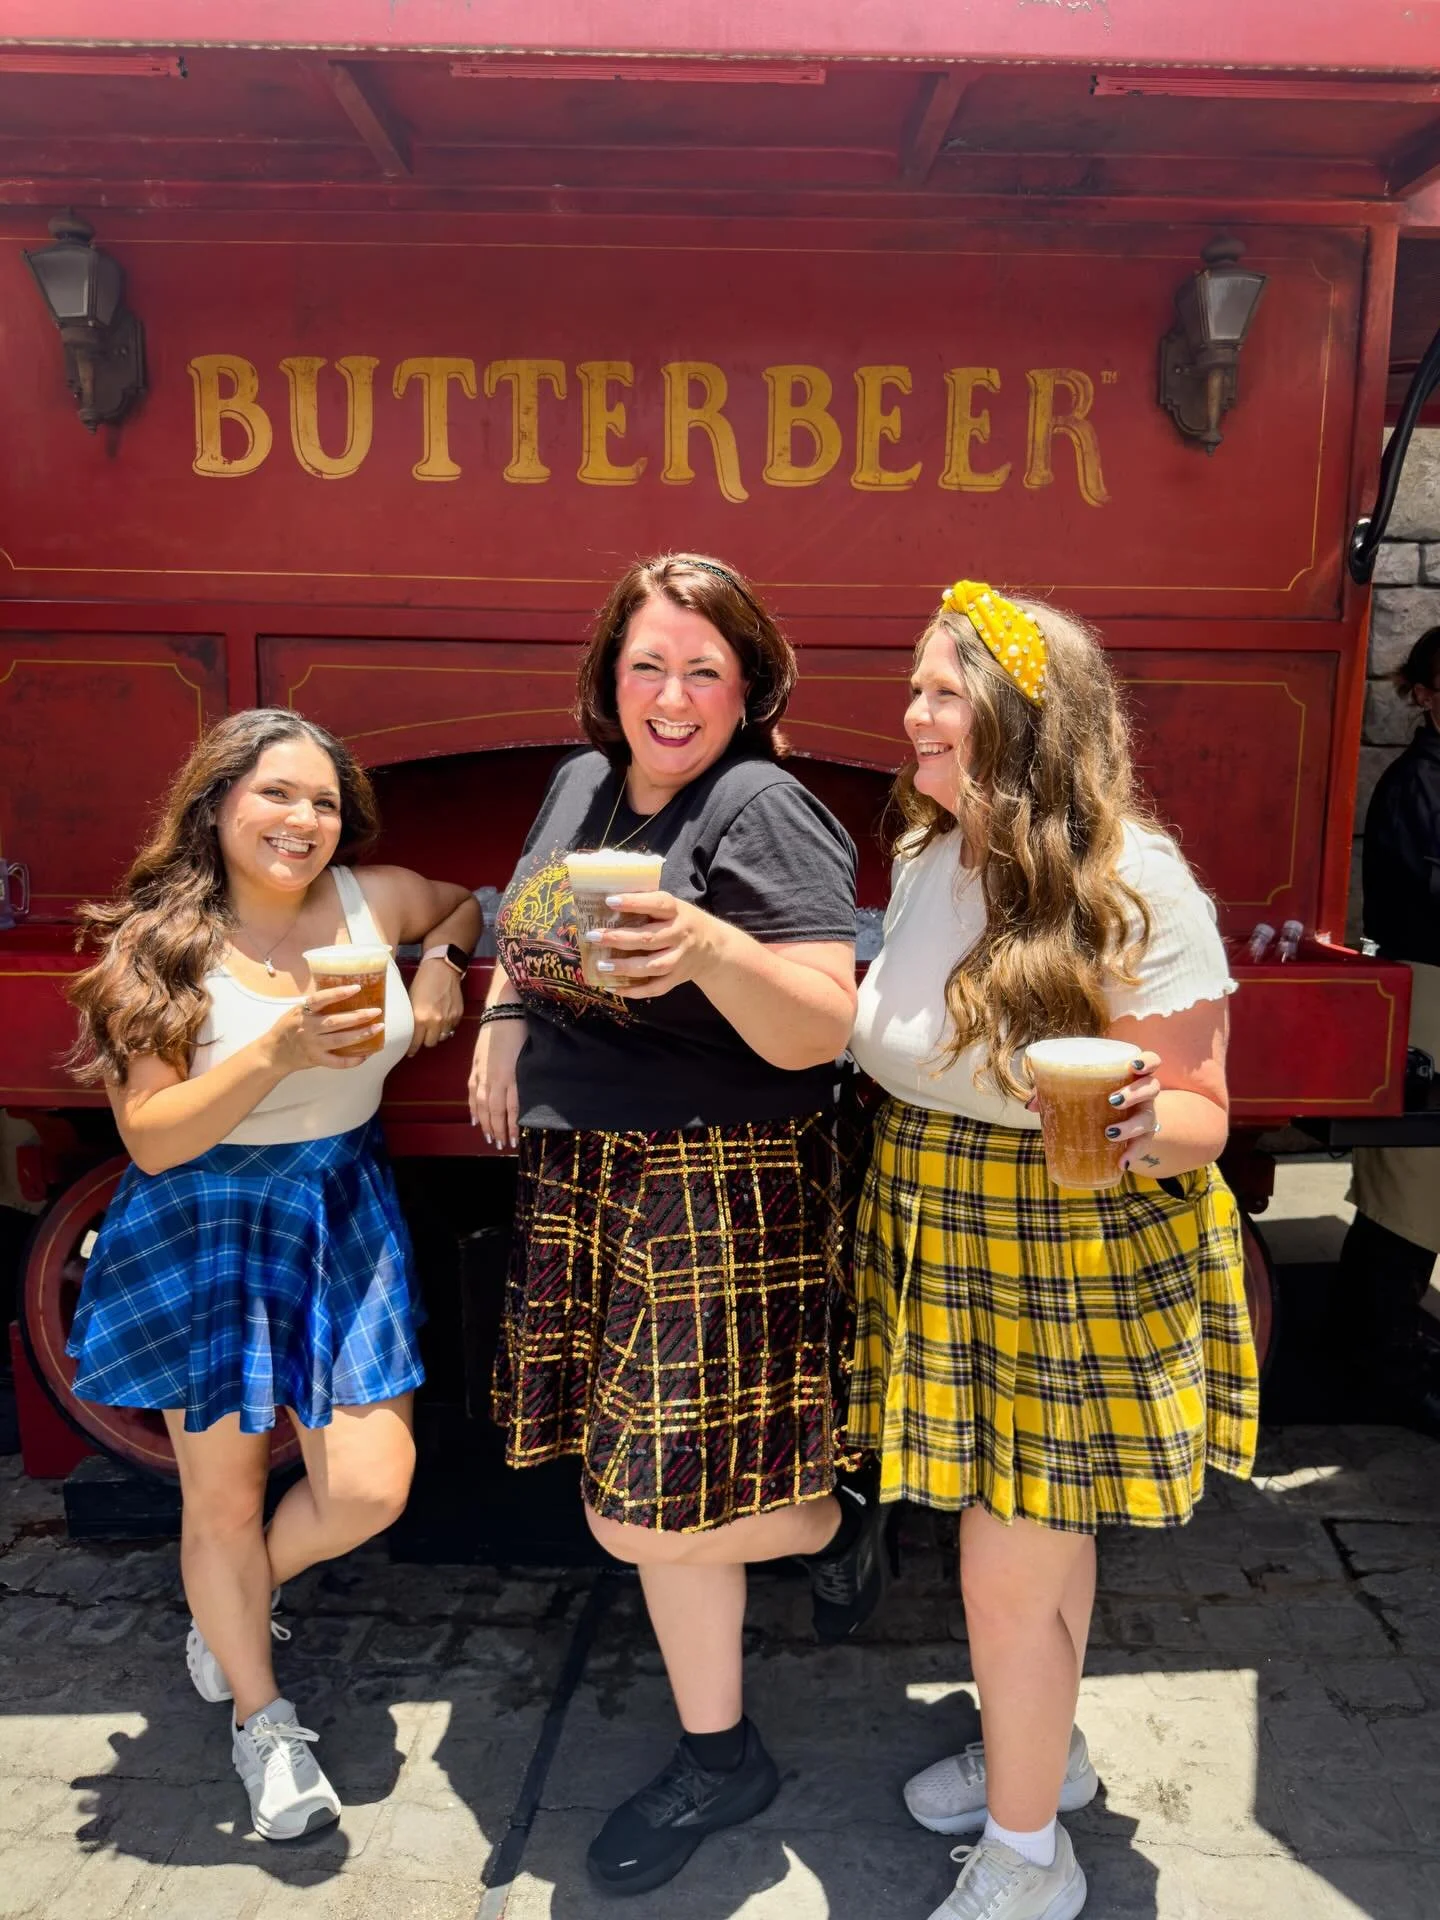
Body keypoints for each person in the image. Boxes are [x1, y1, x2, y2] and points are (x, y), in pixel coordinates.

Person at [469, 552, 886, 1898]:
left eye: (705, 670)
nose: (672, 694)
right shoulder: (582, 784)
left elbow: (823, 1023)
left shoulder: (764, 807)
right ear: (609, 676)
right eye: (647, 663)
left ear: (749, 689)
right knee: (647, 1485)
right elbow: (524, 923)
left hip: (720, 1179)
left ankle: (833, 1524)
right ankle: (721, 1752)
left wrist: (708, 945)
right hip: (588, 1173)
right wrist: (503, 1013)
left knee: (643, 1510)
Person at [847, 582, 1260, 1920]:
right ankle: (1045, 1754)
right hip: (939, 1216)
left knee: (1007, 1562)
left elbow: (1204, 1115)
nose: (914, 715)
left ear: (1024, 720)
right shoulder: (933, 850)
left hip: (1069, 1239)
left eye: (945, 694)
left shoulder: (1135, 880)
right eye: (915, 689)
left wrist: (1140, 1121)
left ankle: (1029, 1855)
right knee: (1028, 1544)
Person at [66, 708, 480, 1842]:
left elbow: (460, 901)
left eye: (324, 803)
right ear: (215, 805)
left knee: (368, 1487)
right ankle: (261, 1717)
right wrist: (276, 1050)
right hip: (211, 1218)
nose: (304, 821)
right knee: (223, 1497)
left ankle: (232, 1598)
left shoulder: (369, 900)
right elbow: (152, 1138)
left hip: (340, 1205)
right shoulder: (159, 947)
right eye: (277, 795)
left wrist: (442, 966)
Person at [1337, 624, 1440, 1433]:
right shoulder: (1415, 786)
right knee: (1409, 1193)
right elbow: (1421, 903)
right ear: (1427, 695)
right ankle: (1383, 1362)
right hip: (1429, 987)